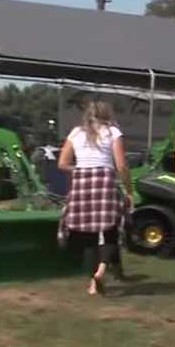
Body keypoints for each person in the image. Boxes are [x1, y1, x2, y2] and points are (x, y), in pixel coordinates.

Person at [57, 101, 134, 296]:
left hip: (82, 180)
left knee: (89, 233)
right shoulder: (113, 132)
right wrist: (129, 190)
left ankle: (93, 284)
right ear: (108, 114)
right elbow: (122, 166)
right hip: (105, 179)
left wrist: (82, 169)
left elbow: (62, 163)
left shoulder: (75, 133)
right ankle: (101, 271)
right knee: (110, 230)